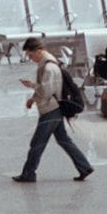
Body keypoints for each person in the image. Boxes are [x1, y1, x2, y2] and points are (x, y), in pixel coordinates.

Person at [12, 36, 93, 183]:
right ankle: (84, 167)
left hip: (50, 110)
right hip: (54, 108)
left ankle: (29, 173)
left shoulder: (49, 68)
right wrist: (32, 98)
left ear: (38, 51)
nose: (31, 59)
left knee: (37, 143)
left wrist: (31, 86)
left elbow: (46, 91)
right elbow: (46, 88)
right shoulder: (48, 64)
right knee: (63, 140)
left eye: (31, 55)